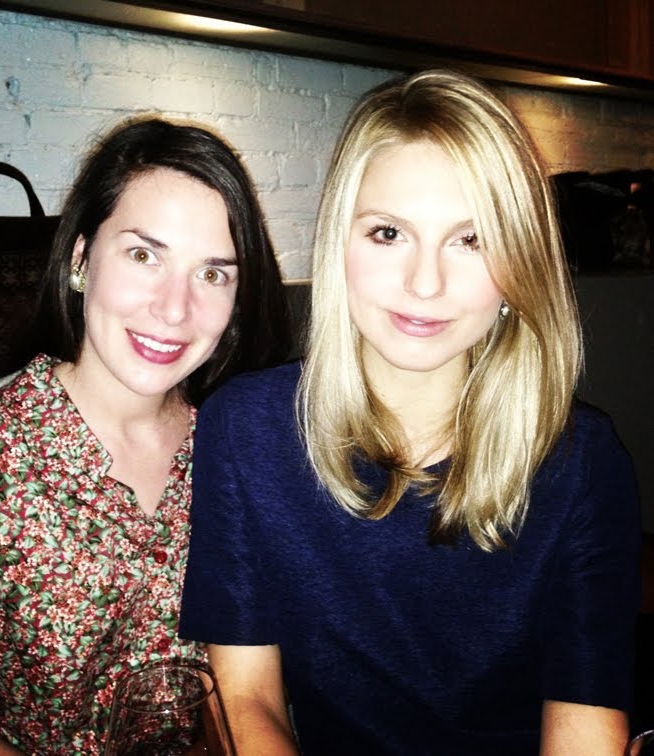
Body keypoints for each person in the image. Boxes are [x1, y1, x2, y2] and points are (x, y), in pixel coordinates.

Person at [179, 69, 641, 755]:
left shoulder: (582, 461)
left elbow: (586, 718)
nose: (426, 283)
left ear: (519, 265)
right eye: (389, 233)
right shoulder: (247, 430)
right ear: (340, 243)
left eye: (471, 240)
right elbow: (247, 700)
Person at [0, 116, 291, 754]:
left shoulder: (235, 445)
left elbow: (250, 695)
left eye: (213, 273)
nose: (175, 309)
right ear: (81, 259)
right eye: (144, 255)